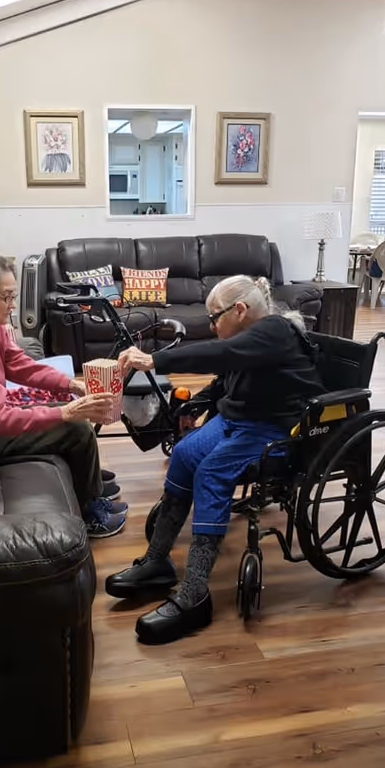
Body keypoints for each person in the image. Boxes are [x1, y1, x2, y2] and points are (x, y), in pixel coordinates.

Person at [106, 275, 326, 644]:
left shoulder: (274, 332)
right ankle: (158, 561)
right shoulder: (245, 339)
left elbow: (218, 355)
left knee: (210, 474)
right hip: (237, 420)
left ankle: (195, 596)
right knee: (185, 453)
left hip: (274, 428)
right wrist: (199, 403)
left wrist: (155, 359)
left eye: (215, 317)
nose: (211, 326)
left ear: (240, 311)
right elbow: (226, 377)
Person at [0, 252, 128, 538]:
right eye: (6, 297)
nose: (13, 305)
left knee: (70, 408)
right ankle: (90, 511)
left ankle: (90, 483)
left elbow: (17, 364)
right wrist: (66, 413)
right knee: (77, 428)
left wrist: (70, 385)